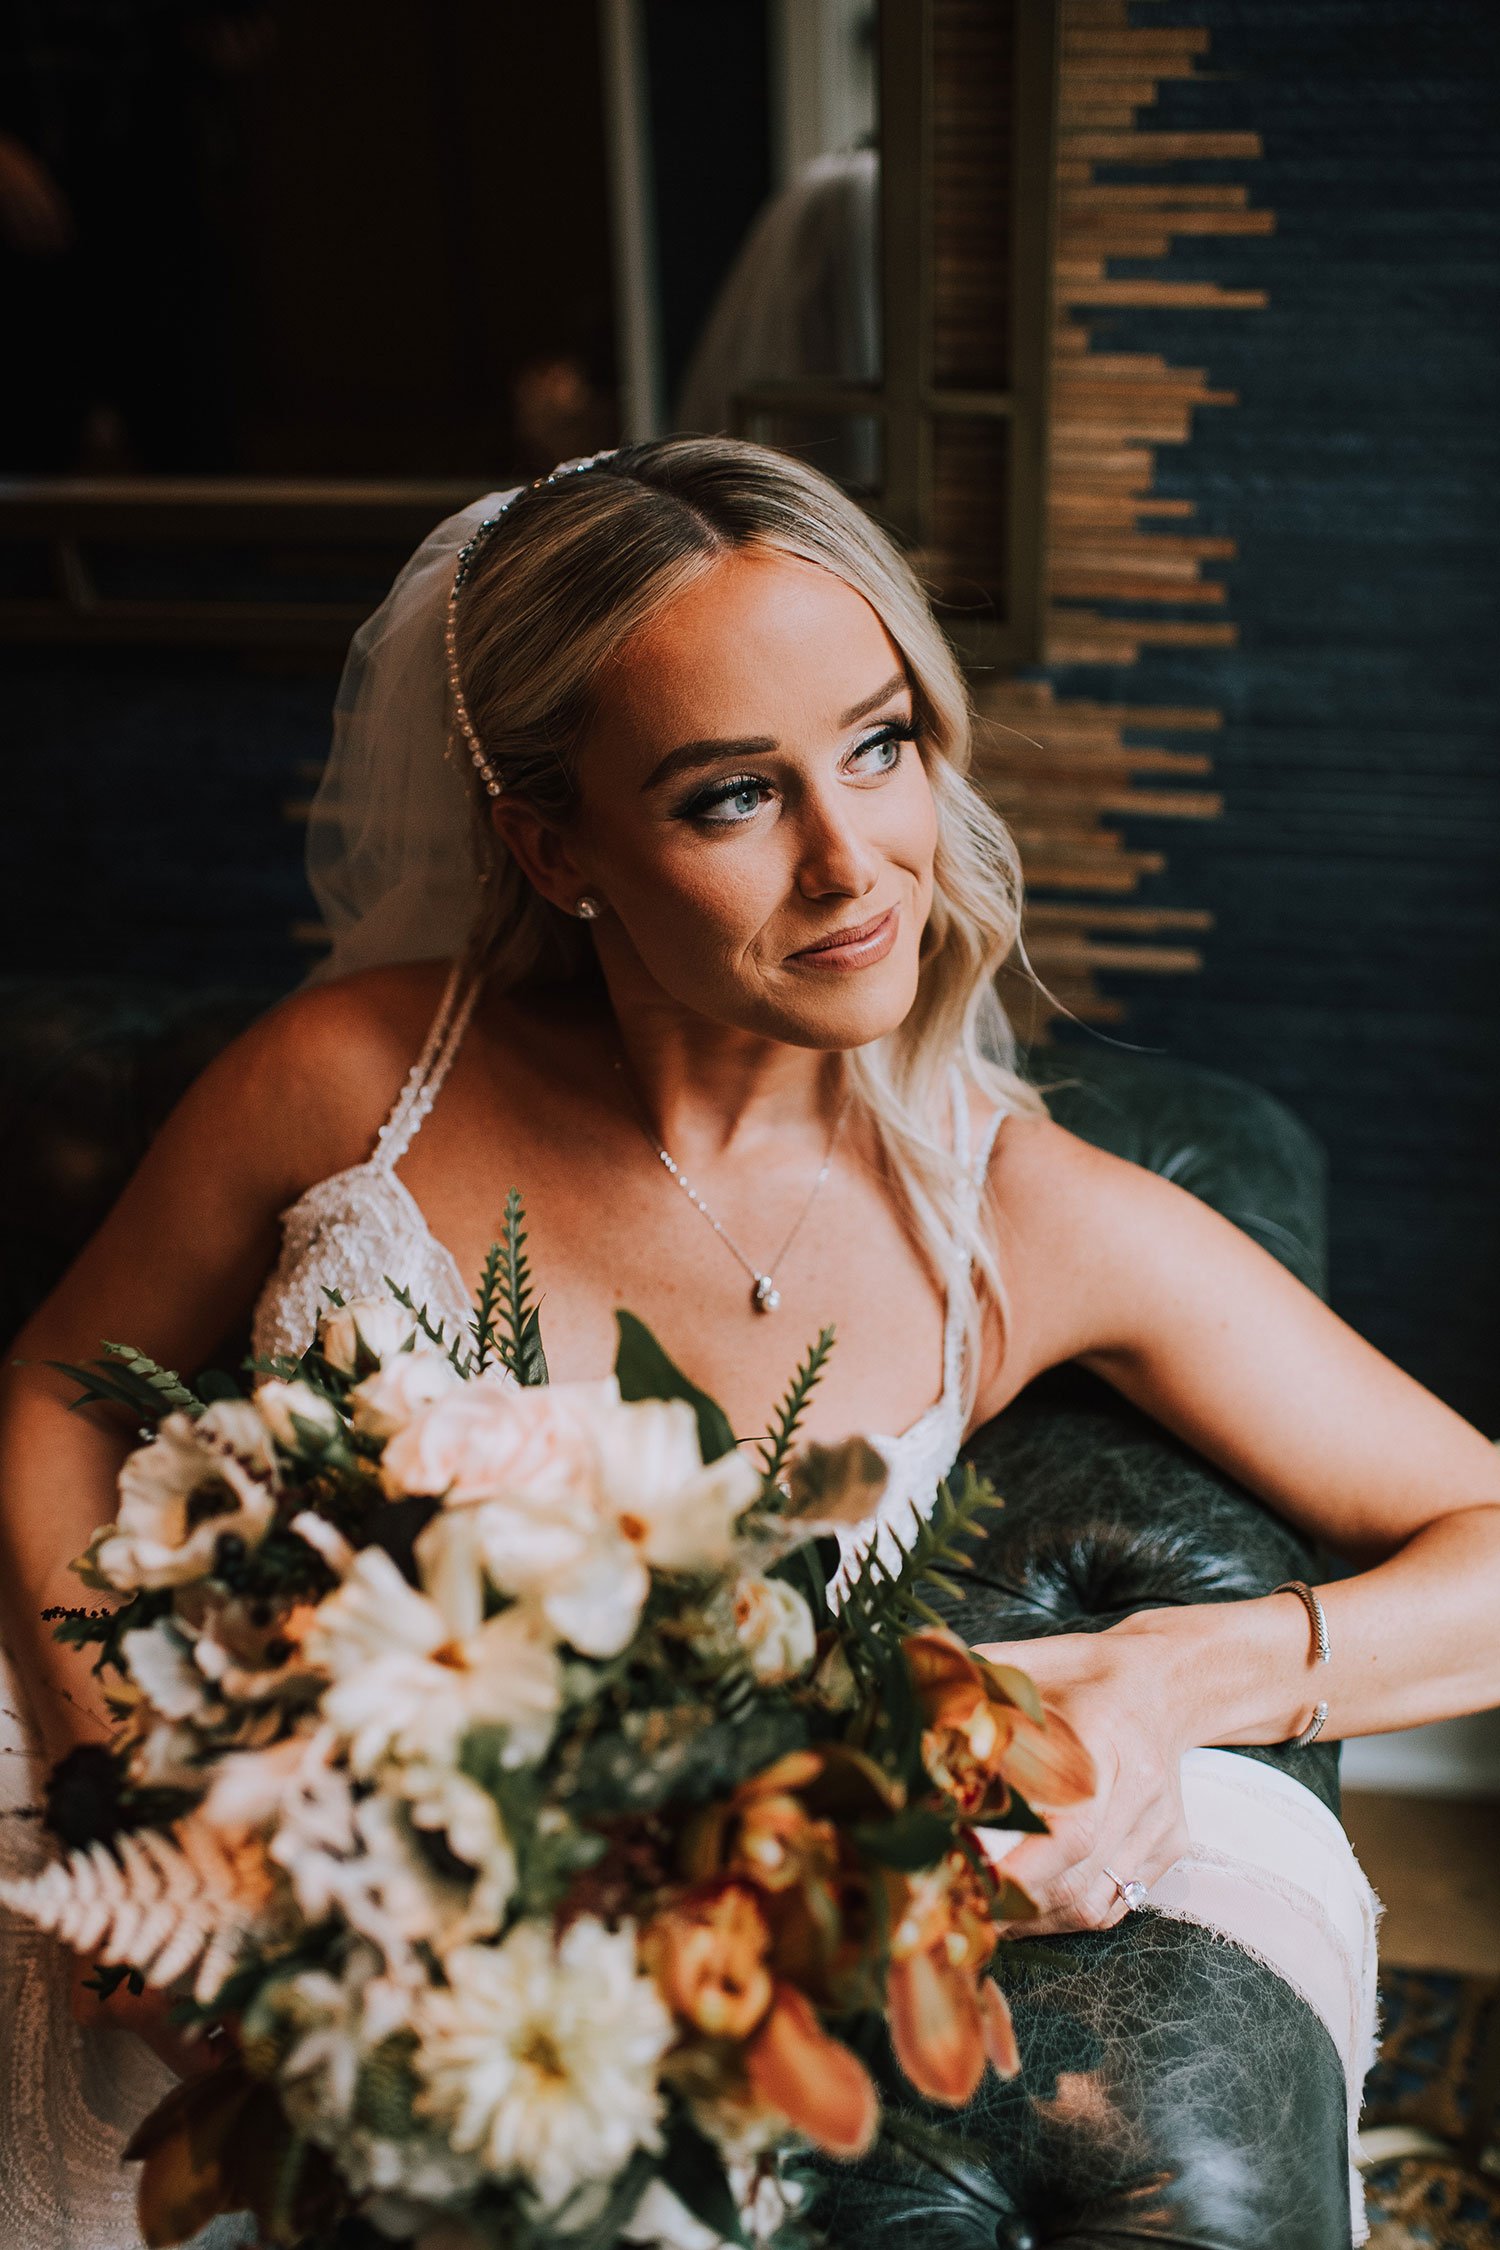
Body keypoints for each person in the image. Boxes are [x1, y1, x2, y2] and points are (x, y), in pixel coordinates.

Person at [2, 436, 1498, 2249]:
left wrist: (1183, 1675)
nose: (855, 860)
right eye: (732, 796)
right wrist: (121, 1800)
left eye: (881, 744)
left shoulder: (1014, 1218)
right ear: (553, 845)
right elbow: (56, 1388)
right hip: (142, 1834)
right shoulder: (351, 1077)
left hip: (550, 1995)